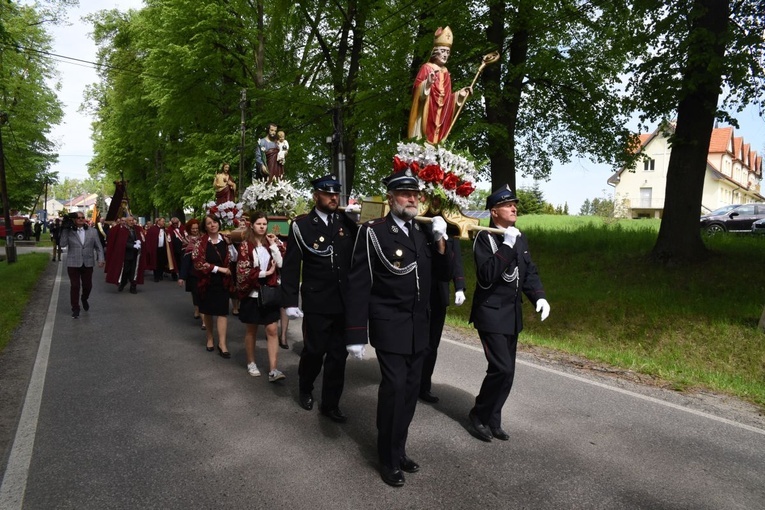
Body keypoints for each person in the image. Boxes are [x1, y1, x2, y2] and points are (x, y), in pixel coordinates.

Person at [345, 168, 450, 487]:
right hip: (389, 324)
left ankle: (399, 448)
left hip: (419, 326)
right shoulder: (373, 231)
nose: (413, 199)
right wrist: (355, 334)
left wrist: (442, 239)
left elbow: (441, 274)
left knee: (409, 393)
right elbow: (359, 284)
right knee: (393, 390)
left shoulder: (422, 232)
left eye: (415, 194)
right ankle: (387, 457)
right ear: (391, 198)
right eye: (405, 194)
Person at [467, 185, 550, 442]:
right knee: (500, 368)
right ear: (494, 212)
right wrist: (507, 245)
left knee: (509, 372)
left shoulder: (519, 236)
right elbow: (487, 275)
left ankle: (493, 419)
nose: (514, 208)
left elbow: (529, 272)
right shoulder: (484, 237)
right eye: (508, 205)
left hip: (512, 314)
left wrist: (540, 297)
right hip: (490, 313)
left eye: (515, 204)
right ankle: (478, 415)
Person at [282, 174, 358, 421]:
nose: (334, 197)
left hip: (343, 302)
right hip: (317, 302)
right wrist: (290, 301)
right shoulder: (302, 225)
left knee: (338, 356)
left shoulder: (347, 222)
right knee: (314, 352)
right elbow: (292, 266)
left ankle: (331, 403)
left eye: (336, 193)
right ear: (316, 195)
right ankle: (305, 387)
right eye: (328, 193)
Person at [235, 211, 286, 382]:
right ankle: (251, 363)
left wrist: (273, 245)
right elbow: (243, 272)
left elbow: (281, 264)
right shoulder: (245, 245)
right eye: (259, 224)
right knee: (252, 330)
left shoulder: (272, 242)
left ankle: (273, 369)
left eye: (265, 224)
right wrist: (266, 273)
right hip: (252, 293)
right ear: (252, 225)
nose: (262, 227)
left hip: (270, 292)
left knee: (272, 330)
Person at [419, 225, 466, 404]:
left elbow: (456, 259)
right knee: (414, 342)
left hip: (438, 293)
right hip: (418, 291)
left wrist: (459, 286)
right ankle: (409, 382)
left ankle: (424, 386)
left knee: (432, 344)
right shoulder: (417, 223)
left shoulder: (448, 227)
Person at [407, 26, 472, 145]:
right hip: (425, 115)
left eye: (447, 52)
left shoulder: (446, 73)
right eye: (443, 51)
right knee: (421, 143)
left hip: (440, 118)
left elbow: (447, 101)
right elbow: (416, 91)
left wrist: (459, 96)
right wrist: (427, 84)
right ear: (435, 52)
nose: (445, 55)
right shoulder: (426, 68)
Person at [192, 214, 234, 357]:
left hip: (223, 282)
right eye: (209, 223)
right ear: (205, 226)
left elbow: (233, 257)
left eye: (215, 222)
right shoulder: (200, 243)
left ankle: (222, 343)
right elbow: (198, 263)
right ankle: (210, 338)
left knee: (222, 312)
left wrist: (232, 245)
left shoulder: (226, 240)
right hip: (207, 281)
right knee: (208, 312)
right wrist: (218, 269)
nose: (212, 225)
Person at [59, 212, 105, 318]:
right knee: (75, 286)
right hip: (73, 263)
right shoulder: (69, 231)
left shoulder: (92, 231)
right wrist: (65, 229)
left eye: (82, 217)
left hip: (88, 262)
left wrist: (101, 259)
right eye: (78, 218)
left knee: (87, 286)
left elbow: (98, 247)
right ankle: (75, 308)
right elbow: (62, 244)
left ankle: (84, 298)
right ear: (74, 220)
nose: (81, 219)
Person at [105, 215, 146, 294]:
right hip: (126, 254)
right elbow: (121, 242)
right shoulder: (122, 230)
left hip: (136, 254)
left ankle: (133, 286)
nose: (131, 222)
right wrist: (132, 245)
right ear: (126, 221)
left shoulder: (136, 229)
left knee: (134, 271)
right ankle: (123, 283)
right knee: (125, 270)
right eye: (130, 220)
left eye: (132, 220)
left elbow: (141, 237)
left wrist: (139, 242)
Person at [177, 219, 203, 327]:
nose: (195, 230)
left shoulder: (204, 239)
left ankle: (204, 319)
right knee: (195, 292)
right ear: (189, 229)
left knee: (202, 293)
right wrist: (182, 277)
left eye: (197, 228)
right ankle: (197, 308)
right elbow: (185, 260)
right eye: (193, 229)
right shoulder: (186, 240)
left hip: (203, 270)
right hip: (192, 271)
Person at [145, 217, 176, 282]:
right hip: (156, 249)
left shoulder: (165, 230)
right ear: (158, 222)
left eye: (164, 221)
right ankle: (156, 276)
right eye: (162, 221)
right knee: (155, 262)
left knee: (162, 262)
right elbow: (148, 239)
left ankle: (160, 274)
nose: (164, 222)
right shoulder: (152, 229)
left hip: (163, 248)